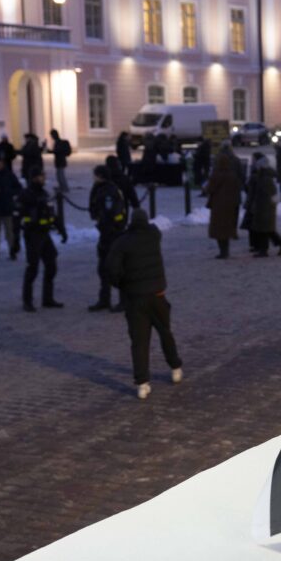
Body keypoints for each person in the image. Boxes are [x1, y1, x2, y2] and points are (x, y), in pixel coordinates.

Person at [105, 209, 184, 400]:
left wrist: (122, 285)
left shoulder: (122, 242)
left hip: (134, 298)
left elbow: (110, 270)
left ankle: (142, 383)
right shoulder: (154, 235)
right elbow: (153, 229)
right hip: (157, 294)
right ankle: (175, 367)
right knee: (165, 332)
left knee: (139, 341)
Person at [16, 168, 67, 312]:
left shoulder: (44, 193)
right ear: (34, 178)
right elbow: (17, 216)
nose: (44, 178)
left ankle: (48, 298)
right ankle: (27, 301)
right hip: (33, 234)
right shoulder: (26, 195)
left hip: (44, 234)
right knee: (32, 268)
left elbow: (52, 213)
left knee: (51, 265)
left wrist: (61, 229)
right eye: (41, 176)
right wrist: (15, 240)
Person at [87, 165, 129, 312]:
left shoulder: (109, 191)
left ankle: (123, 300)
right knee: (103, 268)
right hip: (106, 234)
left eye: (95, 175)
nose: (94, 178)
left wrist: (107, 226)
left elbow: (110, 213)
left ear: (100, 176)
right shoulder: (102, 189)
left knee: (116, 268)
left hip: (112, 235)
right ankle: (104, 299)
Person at [245, 153, 281, 257]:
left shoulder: (265, 178)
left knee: (264, 230)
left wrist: (267, 205)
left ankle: (264, 250)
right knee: (268, 230)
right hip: (264, 208)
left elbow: (272, 194)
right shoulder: (264, 177)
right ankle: (280, 246)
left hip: (265, 208)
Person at [205, 147, 243, 259]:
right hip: (230, 204)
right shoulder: (232, 175)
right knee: (226, 227)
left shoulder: (216, 175)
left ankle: (222, 251)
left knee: (218, 228)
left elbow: (209, 189)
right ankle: (226, 250)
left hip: (218, 204)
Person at [49, 129, 71, 194]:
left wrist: (51, 151)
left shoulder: (58, 142)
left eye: (51, 135)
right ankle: (62, 186)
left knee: (61, 175)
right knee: (59, 175)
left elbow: (58, 151)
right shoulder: (57, 142)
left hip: (60, 161)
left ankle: (64, 187)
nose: (51, 137)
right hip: (59, 161)